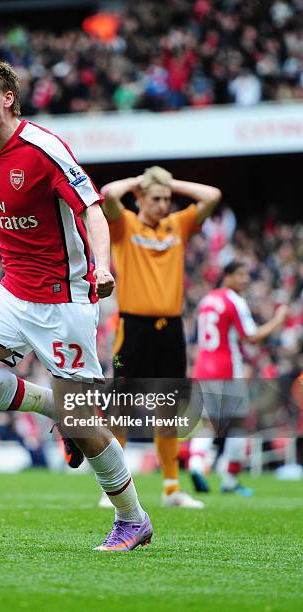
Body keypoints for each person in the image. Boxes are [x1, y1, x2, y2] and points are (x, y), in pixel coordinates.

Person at [0, 53, 152, 551]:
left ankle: (133, 519)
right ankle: (51, 406)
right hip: (13, 292)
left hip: (64, 300)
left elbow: (92, 209)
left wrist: (102, 265)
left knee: (85, 424)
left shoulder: (44, 148)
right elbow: (2, 211)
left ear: (7, 97)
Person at [101, 165, 221, 508]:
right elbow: (108, 194)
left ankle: (171, 488)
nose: (164, 205)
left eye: (168, 199)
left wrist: (170, 184)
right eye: (156, 199)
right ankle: (113, 489)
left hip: (170, 328)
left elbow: (212, 196)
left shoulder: (177, 225)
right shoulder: (125, 224)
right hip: (133, 326)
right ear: (140, 198)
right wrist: (140, 183)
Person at [190, 261, 289, 494]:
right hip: (226, 369)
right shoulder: (234, 300)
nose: (245, 279)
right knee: (239, 423)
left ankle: (196, 464)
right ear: (227, 276)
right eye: (240, 275)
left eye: (247, 274)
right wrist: (277, 320)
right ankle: (230, 480)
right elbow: (251, 336)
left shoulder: (207, 300)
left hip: (203, 368)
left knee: (209, 423)